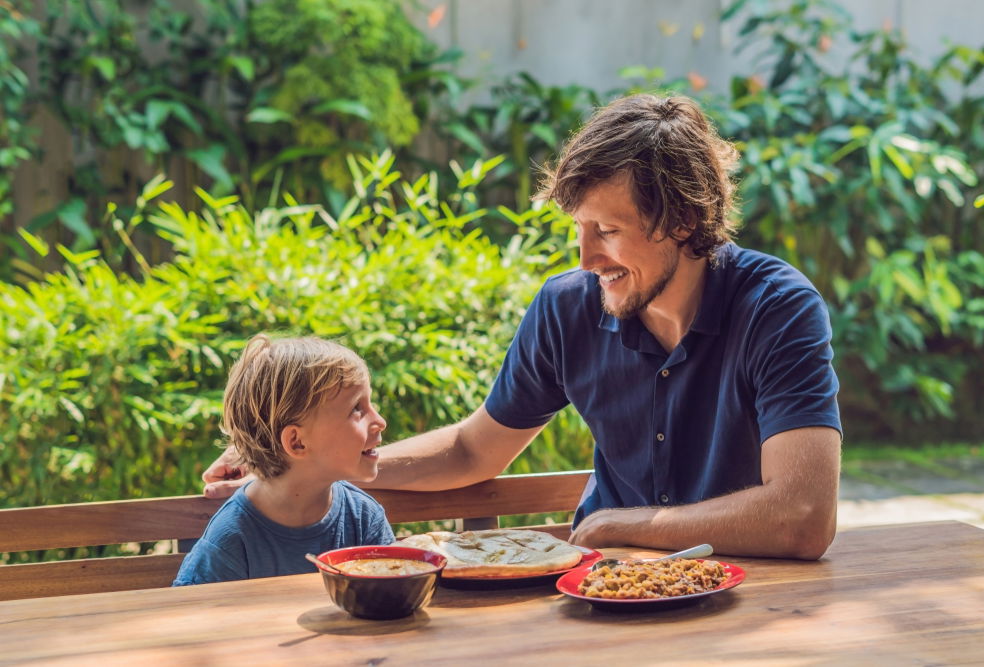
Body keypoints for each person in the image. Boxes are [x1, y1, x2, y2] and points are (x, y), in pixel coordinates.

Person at [202, 94, 842, 560]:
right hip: (607, 589)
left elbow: (803, 516)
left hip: (750, 593)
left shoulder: (777, 308)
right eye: (580, 229)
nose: (586, 259)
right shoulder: (568, 309)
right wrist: (309, 462)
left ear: (680, 221)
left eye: (608, 232)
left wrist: (627, 524)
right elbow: (471, 451)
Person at [174, 334, 394, 586]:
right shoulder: (232, 539)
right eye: (357, 408)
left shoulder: (363, 518)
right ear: (297, 442)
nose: (380, 421)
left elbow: (389, 597)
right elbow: (191, 614)